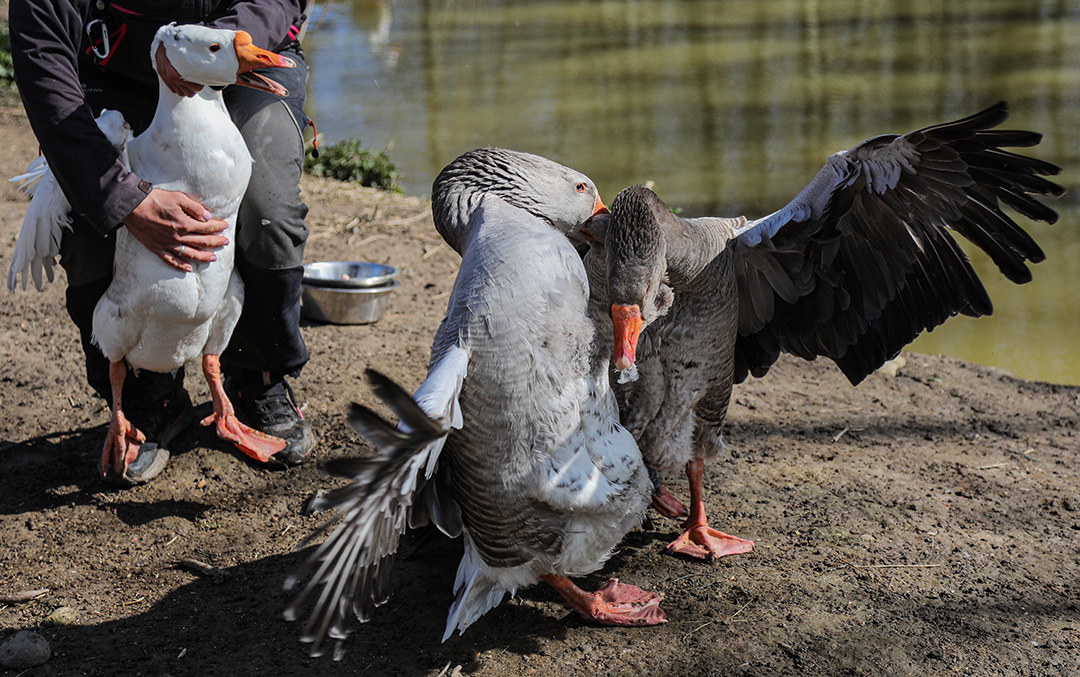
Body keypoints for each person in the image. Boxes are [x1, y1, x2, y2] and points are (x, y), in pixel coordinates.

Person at [10, 0, 317, 484]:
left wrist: (207, 48)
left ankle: (256, 375)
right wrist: (122, 198)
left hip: (242, 53)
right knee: (86, 213)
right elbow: (42, 44)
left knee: (267, 209)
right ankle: (147, 395)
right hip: (115, 70)